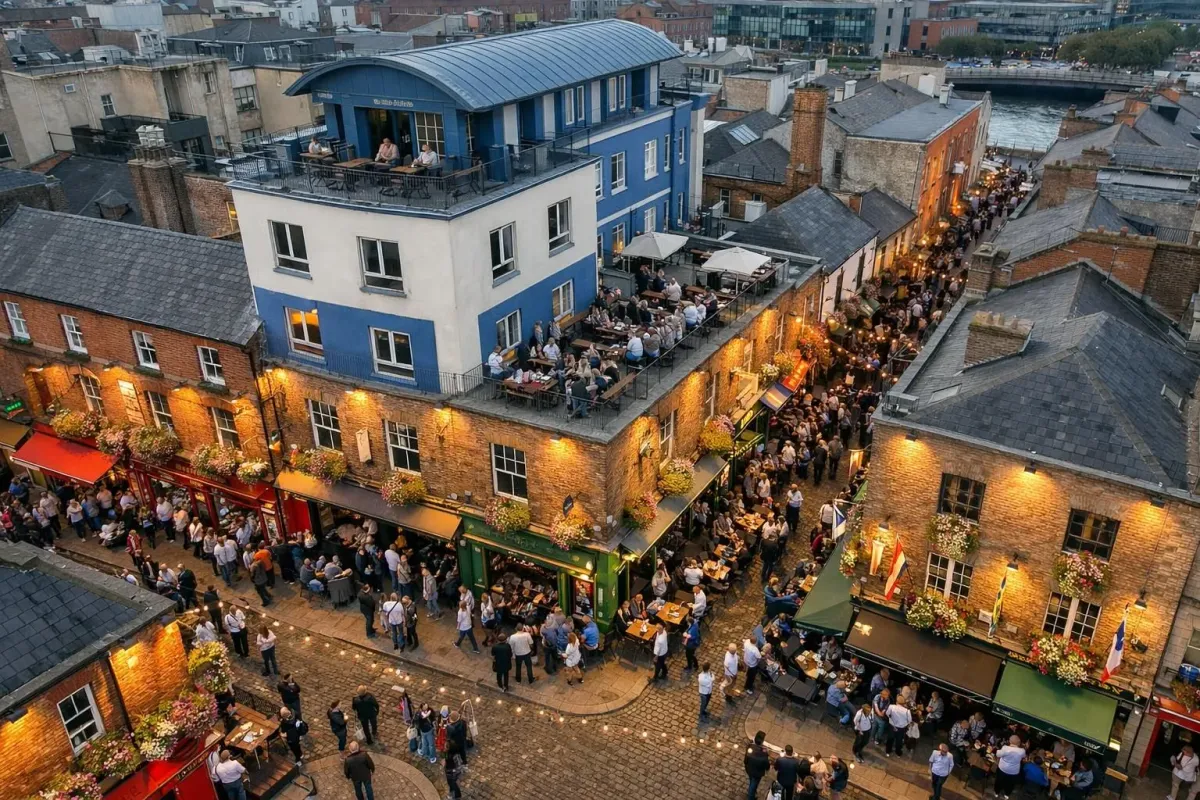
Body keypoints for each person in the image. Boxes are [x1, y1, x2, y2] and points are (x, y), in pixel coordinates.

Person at [995, 735, 1026, 800]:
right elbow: (1024, 757)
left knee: (999, 781)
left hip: (1002, 768)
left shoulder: (1005, 748)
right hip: (1013, 771)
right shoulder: (1022, 751)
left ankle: (996, 792)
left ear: (1010, 741)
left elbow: (998, 754)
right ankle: (1007, 794)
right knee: (1010, 783)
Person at [745, 730, 771, 800]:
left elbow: (745, 760)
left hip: (749, 770)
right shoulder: (764, 753)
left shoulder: (750, 747)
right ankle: (751, 796)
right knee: (753, 786)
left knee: (752, 782)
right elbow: (767, 765)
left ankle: (752, 793)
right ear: (762, 741)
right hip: (757, 773)